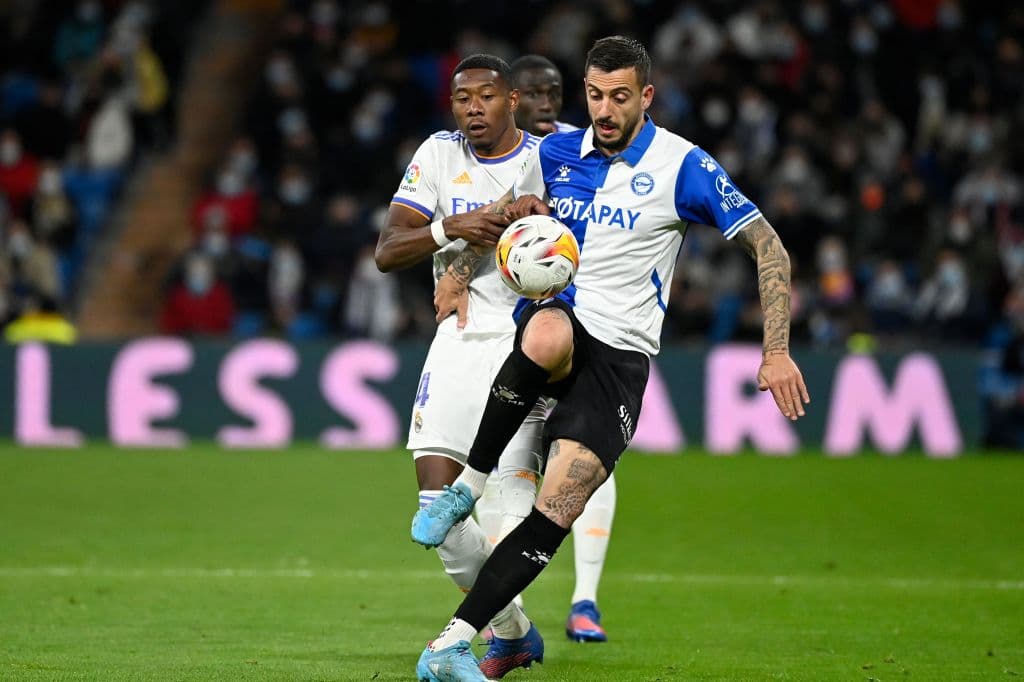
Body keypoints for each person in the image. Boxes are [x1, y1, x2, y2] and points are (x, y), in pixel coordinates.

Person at [413, 36, 810, 681]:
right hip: (562, 324)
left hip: (621, 358)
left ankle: (459, 640)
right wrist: (459, 269)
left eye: (618, 97)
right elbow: (516, 218)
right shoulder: (558, 151)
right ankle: (468, 487)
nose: (603, 109)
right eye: (595, 94)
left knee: (558, 508)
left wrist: (776, 351)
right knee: (544, 334)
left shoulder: (684, 165)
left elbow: (770, 249)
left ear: (645, 97)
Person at [374, 53, 548, 679]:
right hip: (456, 341)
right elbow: (388, 250)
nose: (474, 108)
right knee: (435, 515)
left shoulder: (546, 159)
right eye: (462, 98)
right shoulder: (438, 155)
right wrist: (452, 227)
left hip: (529, 345)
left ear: (513, 101)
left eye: (486, 96)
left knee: (506, 525)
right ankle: (514, 633)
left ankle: (471, 639)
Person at [474, 53, 617, 645]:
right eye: (532, 91)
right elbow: (486, 227)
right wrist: (457, 272)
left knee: (591, 459)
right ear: (510, 98)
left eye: (554, 91)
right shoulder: (494, 158)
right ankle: (514, 612)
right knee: (509, 472)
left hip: (585, 328)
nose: (545, 101)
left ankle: (585, 600)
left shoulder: (580, 151)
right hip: (501, 327)